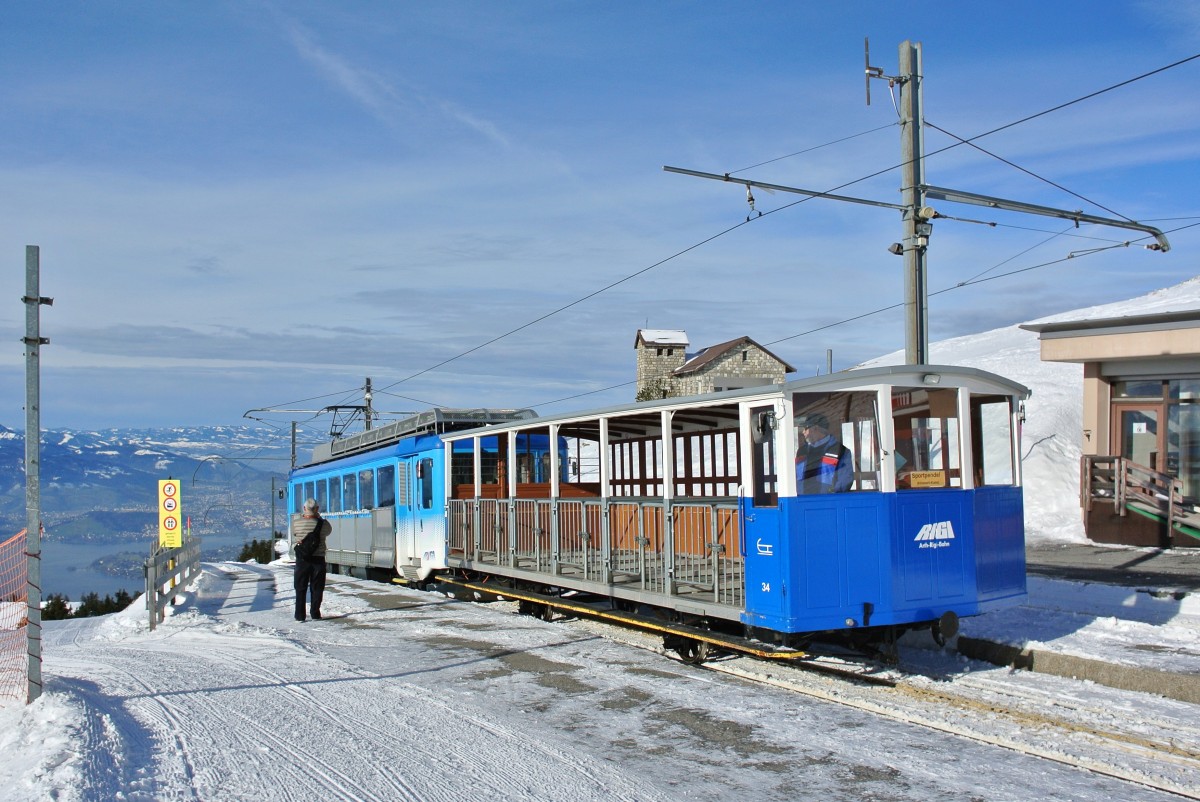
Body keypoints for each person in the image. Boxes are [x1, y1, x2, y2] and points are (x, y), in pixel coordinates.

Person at [292, 498, 332, 622]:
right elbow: (329, 532)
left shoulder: (296, 523)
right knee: (317, 587)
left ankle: (300, 615)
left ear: (304, 508)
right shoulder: (323, 524)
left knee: (300, 587)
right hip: (318, 559)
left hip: (302, 559)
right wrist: (318, 517)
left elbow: (294, 534)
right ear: (317, 509)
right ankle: (315, 613)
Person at [795, 413, 854, 494]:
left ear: (815, 428)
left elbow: (844, 481)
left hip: (827, 500)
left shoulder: (840, 451)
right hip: (801, 500)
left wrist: (830, 497)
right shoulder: (801, 451)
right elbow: (794, 477)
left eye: (806, 428)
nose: (803, 432)